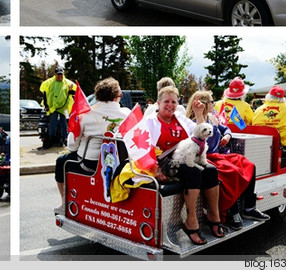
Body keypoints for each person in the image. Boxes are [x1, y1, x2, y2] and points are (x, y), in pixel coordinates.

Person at [146, 86, 224, 245]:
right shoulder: (150, 121)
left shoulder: (180, 118)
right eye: (166, 101)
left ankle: (213, 215)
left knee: (210, 170)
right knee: (193, 171)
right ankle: (191, 220)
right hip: (164, 162)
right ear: (158, 103)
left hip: (184, 158)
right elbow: (144, 148)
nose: (170, 105)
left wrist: (198, 114)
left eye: (173, 101)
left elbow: (201, 133)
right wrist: (155, 169)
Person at [187, 90, 269, 230]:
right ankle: (233, 212)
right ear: (205, 104)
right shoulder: (194, 122)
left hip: (220, 155)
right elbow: (199, 139)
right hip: (207, 157)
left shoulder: (212, 118)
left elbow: (226, 129)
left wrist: (227, 136)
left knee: (249, 165)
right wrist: (199, 115)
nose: (215, 103)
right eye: (212, 101)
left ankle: (249, 208)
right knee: (233, 171)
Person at [54, 77, 130, 204]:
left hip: (88, 163)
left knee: (61, 161)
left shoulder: (86, 114)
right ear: (117, 97)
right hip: (118, 165)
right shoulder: (127, 114)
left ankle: (64, 201)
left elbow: (72, 147)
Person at [252, 86, 286, 150]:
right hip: (284, 143)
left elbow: (253, 122)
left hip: (261, 141)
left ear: (268, 96)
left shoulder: (259, 109)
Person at [39, 66, 75, 149]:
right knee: (52, 123)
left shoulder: (68, 83)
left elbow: (74, 93)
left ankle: (66, 139)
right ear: (55, 74)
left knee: (65, 123)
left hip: (65, 107)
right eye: (58, 75)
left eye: (61, 75)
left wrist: (70, 91)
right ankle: (51, 139)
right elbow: (45, 94)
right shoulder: (49, 83)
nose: (60, 76)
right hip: (53, 107)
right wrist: (46, 105)